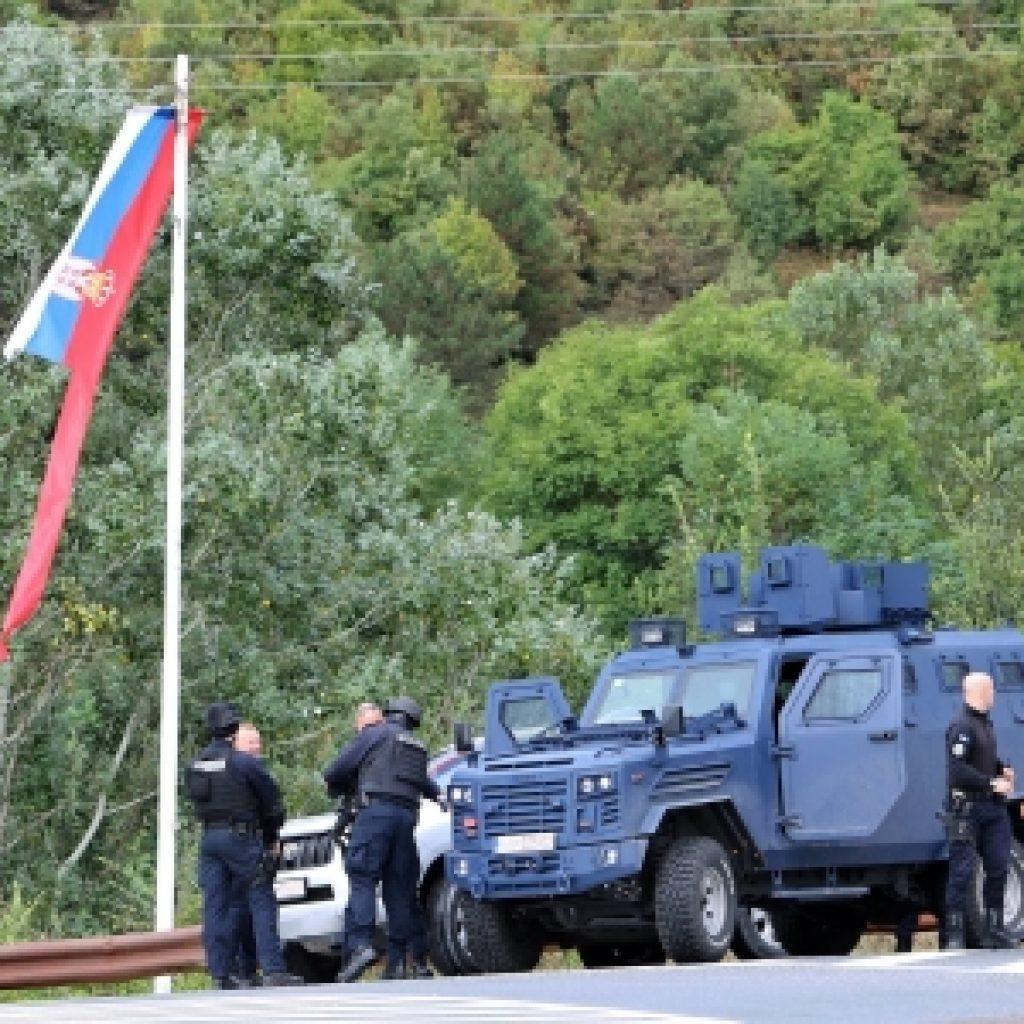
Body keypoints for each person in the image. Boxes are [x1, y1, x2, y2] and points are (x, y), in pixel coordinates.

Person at [323, 695, 443, 982]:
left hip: (375, 815)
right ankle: (400, 962)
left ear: (388, 714)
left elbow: (335, 771)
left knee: (363, 878)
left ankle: (361, 946)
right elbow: (427, 786)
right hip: (406, 821)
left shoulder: (375, 735)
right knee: (400, 891)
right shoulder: (417, 747)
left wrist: (342, 785)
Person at [187, 701, 303, 988]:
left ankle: (221, 974)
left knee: (216, 906)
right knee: (261, 897)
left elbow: (197, 802)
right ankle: (274, 969)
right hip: (240, 838)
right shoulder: (244, 763)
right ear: (234, 728)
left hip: (210, 841)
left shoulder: (195, 765)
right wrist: (271, 836)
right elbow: (271, 802)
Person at [943, 671, 1017, 950]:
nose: (993, 694)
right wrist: (990, 782)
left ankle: (995, 929)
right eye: (990, 690)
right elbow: (958, 770)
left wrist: (1001, 770)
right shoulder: (961, 726)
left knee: (998, 866)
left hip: (992, 807)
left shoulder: (985, 724)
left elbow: (982, 758)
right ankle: (954, 933)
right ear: (975, 692)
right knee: (961, 871)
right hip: (966, 807)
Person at [231, 722, 266, 984]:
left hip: (251, 840)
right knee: (249, 905)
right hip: (240, 844)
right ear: (236, 744)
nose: (256, 746)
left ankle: (248, 968)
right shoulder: (240, 769)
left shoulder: (256, 769)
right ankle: (247, 968)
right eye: (250, 742)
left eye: (257, 741)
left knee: (246, 908)